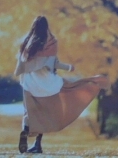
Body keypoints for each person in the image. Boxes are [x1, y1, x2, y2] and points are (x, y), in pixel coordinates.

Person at [15, 16, 110, 155]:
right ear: (46, 26)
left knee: (29, 111)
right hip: (47, 83)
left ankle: (25, 130)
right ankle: (37, 144)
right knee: (46, 112)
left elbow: (22, 64)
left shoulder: (26, 43)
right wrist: (68, 67)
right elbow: (53, 62)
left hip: (30, 83)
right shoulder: (51, 42)